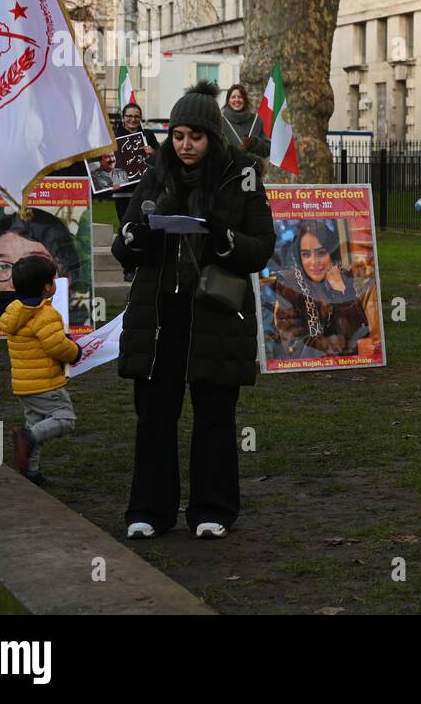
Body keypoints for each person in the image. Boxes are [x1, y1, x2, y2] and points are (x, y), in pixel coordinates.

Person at [111, 80, 276, 541]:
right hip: (159, 315)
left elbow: (262, 245)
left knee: (215, 416)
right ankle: (149, 509)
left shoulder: (241, 173)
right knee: (155, 415)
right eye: (178, 135)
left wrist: (224, 241)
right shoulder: (155, 171)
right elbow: (123, 246)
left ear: (212, 137)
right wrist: (135, 237)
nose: (185, 145)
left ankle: (213, 509)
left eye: (195, 137)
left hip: (217, 313)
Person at [0, 255, 82, 487]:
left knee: (35, 422)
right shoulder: (45, 315)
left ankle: (31, 471)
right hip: (46, 384)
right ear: (47, 287)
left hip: (24, 384)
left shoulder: (14, 311)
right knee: (65, 420)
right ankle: (28, 438)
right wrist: (75, 351)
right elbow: (57, 346)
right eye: (54, 280)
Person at [272, 221, 370, 359]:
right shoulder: (289, 284)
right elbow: (296, 347)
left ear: (331, 253)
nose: (314, 262)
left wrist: (340, 290)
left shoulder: (341, 276)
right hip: (303, 372)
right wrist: (351, 347)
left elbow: (361, 332)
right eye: (306, 255)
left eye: (321, 253)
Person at [0, 210, 83, 325]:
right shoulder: (48, 324)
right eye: (3, 266)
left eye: (34, 263)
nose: (17, 279)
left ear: (67, 274)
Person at [111, 103, 159, 224]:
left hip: (145, 190)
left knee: (144, 226)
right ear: (123, 118)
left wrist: (153, 152)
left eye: (136, 116)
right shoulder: (113, 137)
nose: (133, 119)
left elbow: (161, 159)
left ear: (140, 118)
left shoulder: (148, 135)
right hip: (122, 192)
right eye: (129, 116)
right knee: (125, 226)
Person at [222, 84, 271, 164]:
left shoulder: (256, 121)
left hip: (254, 171)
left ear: (244, 99)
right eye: (233, 97)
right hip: (229, 173)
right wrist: (235, 152)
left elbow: (268, 149)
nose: (237, 100)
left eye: (240, 97)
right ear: (228, 100)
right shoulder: (221, 122)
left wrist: (254, 143)